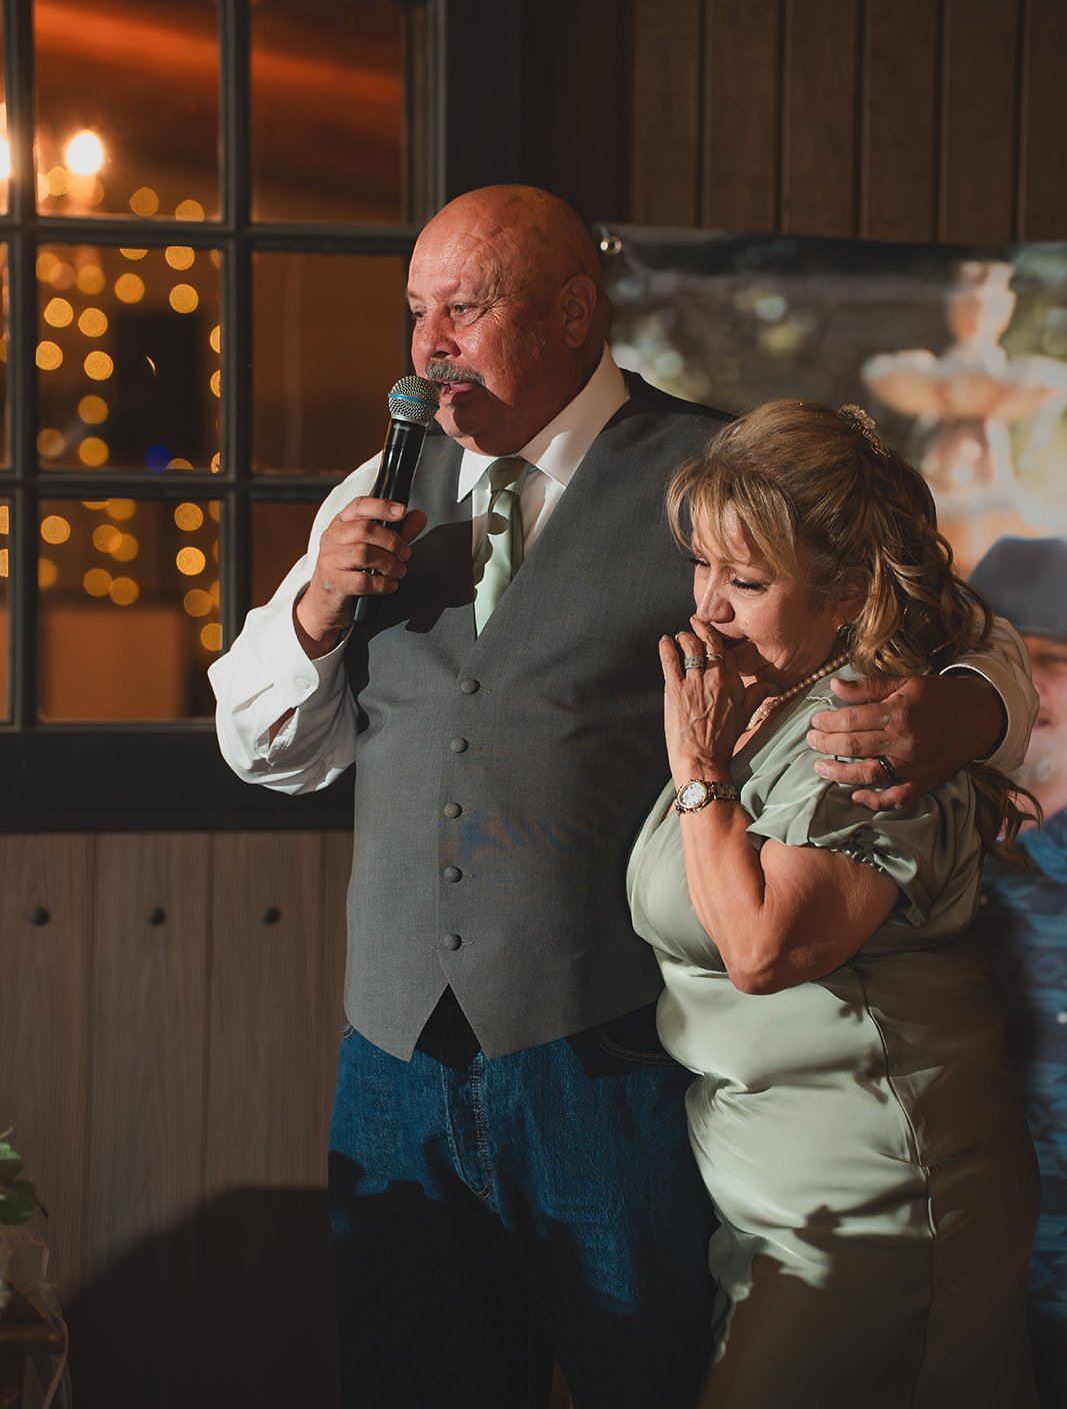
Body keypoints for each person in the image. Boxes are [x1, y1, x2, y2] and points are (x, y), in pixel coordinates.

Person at [210, 186, 1036, 1409]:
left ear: (570, 315)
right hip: (392, 1067)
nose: (429, 342)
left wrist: (965, 708)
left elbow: (970, 639)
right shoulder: (372, 495)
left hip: (606, 1058)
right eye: (415, 311)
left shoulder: (715, 474)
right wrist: (315, 609)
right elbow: (264, 747)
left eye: (466, 307)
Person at [628, 400, 1039, 1408]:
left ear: (847, 590)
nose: (707, 608)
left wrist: (693, 772)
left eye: (746, 580)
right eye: (702, 567)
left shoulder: (862, 732)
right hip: (780, 1202)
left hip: (881, 1200)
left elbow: (764, 948)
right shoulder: (757, 689)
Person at [970, 536, 1067, 1409]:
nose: (1033, 694)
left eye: (1055, 662)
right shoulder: (916, 846)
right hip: (948, 1273)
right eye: (1010, 664)